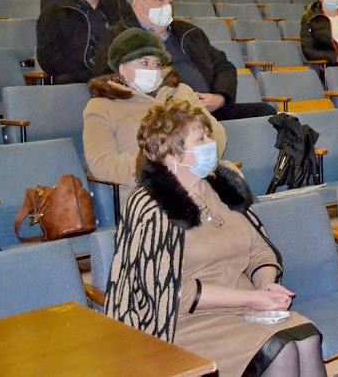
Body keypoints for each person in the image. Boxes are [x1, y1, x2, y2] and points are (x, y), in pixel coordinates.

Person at [104, 99, 325, 376]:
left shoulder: (222, 188)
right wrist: (250, 298)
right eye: (201, 139)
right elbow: (171, 291)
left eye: (208, 135)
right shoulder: (151, 206)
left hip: (246, 304)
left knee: (307, 338)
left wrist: (265, 284)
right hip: (185, 321)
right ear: (172, 155)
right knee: (281, 349)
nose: (212, 143)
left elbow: (259, 250)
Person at [95, 0, 276, 121]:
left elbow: (223, 66)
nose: (166, 6)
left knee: (265, 112)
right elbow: (106, 78)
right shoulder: (118, 36)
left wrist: (220, 97)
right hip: (159, 115)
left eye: (170, 1)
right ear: (138, 4)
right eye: (159, 0)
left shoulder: (189, 33)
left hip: (206, 109)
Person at [84, 28, 226, 194]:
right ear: (123, 68)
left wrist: (201, 160)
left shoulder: (182, 92)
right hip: (145, 189)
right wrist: (163, 169)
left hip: (199, 178)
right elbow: (102, 163)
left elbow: (215, 131)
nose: (152, 69)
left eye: (157, 64)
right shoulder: (101, 106)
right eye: (144, 63)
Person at [37, 0, 138, 84]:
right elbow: (48, 57)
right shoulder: (55, 12)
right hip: (76, 80)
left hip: (116, 77)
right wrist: (85, 75)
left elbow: (134, 38)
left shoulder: (118, 6)